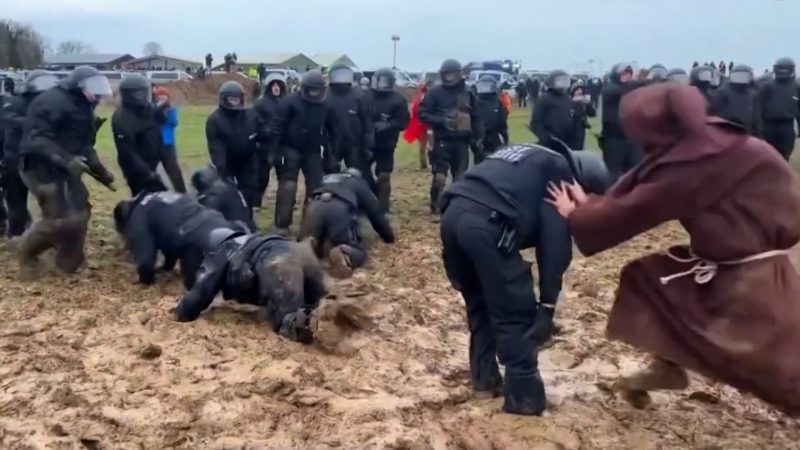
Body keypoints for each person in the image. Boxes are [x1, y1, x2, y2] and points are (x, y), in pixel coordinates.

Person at [547, 82, 800, 416]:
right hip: (724, 259)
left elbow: (640, 205)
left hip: (749, 273)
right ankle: (667, 364)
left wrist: (579, 215)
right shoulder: (707, 140)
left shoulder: (700, 164)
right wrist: (595, 203)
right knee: (651, 279)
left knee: (766, 360)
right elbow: (643, 177)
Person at [439, 142, 609, 415]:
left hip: (451, 217)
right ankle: (524, 399)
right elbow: (554, 246)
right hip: (486, 226)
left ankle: (485, 381)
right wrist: (547, 307)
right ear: (582, 185)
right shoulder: (560, 175)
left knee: (480, 305)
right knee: (514, 311)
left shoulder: (528, 156)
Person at [17, 66, 115, 276]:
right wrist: (65, 159)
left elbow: (85, 145)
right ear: (78, 86)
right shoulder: (51, 103)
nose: (98, 96)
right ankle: (25, 251)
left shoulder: (84, 107)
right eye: (94, 90)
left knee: (80, 212)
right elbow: (37, 139)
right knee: (59, 219)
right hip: (40, 169)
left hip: (65, 169)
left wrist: (101, 172)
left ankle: (69, 264)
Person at [174, 231, 326, 343]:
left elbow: (199, 294)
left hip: (280, 261)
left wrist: (181, 313)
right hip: (303, 253)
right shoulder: (248, 240)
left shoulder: (222, 252)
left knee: (291, 324)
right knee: (321, 306)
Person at [113, 190, 241, 288]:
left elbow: (145, 260)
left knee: (195, 285)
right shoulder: (155, 197)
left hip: (194, 240)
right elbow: (168, 228)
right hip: (215, 221)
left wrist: (145, 279)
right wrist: (167, 266)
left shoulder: (137, 218)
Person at [270, 69, 339, 235]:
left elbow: (333, 131)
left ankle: (310, 224)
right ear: (304, 87)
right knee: (288, 186)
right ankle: (282, 224)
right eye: (312, 89)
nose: (314, 93)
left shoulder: (327, 105)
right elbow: (277, 127)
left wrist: (332, 155)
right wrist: (274, 151)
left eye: (317, 89)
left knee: (316, 188)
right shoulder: (289, 102)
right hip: (290, 148)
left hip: (313, 150)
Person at [299, 168, 395, 278]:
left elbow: (308, 201)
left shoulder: (325, 179)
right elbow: (375, 214)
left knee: (308, 243)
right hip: (338, 208)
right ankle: (344, 253)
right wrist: (388, 236)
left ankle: (304, 254)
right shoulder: (357, 183)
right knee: (358, 252)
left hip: (314, 206)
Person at [419, 59, 484, 214]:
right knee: (440, 177)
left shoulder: (468, 92)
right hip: (442, 139)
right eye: (447, 75)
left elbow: (476, 116)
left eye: (453, 74)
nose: (450, 77)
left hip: (462, 140)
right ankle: (435, 202)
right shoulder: (434, 92)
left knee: (460, 178)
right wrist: (442, 120)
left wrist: (479, 137)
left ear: (460, 74)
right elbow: (422, 113)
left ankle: (455, 207)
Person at [1, 71, 57, 238]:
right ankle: (16, 237)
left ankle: (48, 237)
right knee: (16, 203)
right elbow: (7, 118)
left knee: (51, 204)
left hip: (41, 163)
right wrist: (34, 124)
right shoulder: (15, 102)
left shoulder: (52, 107)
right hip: (14, 161)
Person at [205, 81, 259, 216]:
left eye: (237, 99)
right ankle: (228, 217)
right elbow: (216, 146)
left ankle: (247, 217)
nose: (235, 102)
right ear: (224, 99)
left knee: (248, 189)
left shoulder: (250, 115)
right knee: (227, 189)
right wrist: (221, 168)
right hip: (226, 160)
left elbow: (262, 132)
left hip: (246, 159)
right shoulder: (214, 120)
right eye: (231, 99)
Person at [112, 74, 168, 196]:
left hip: (153, 160)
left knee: (159, 197)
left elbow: (159, 122)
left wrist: (161, 110)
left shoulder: (148, 108)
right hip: (136, 168)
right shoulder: (122, 119)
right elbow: (128, 153)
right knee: (144, 197)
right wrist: (147, 173)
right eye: (139, 93)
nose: (142, 96)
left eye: (144, 92)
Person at [366, 68, 410, 212]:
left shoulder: (398, 99)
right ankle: (367, 201)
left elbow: (404, 122)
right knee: (362, 174)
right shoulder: (363, 97)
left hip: (387, 144)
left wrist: (389, 125)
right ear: (375, 81)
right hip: (366, 143)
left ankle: (383, 209)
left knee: (384, 176)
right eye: (381, 81)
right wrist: (369, 125)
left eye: (387, 81)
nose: (383, 85)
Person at [600, 62, 647, 182]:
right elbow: (619, 90)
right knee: (612, 176)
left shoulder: (633, 91)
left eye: (629, 74)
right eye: (624, 74)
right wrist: (642, 81)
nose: (627, 77)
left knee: (635, 173)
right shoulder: (609, 89)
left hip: (632, 139)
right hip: (614, 140)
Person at [325, 63, 373, 176]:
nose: (341, 79)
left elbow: (367, 123)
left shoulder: (359, 96)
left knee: (357, 174)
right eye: (338, 75)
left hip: (354, 143)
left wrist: (368, 146)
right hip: (332, 144)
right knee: (329, 174)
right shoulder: (325, 96)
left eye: (344, 75)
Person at [252, 73, 287, 209]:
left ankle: (284, 203)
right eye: (273, 85)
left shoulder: (287, 103)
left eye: (278, 85)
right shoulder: (261, 103)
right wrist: (265, 131)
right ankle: (256, 202)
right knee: (262, 177)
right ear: (269, 87)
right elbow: (255, 120)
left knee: (284, 177)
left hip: (282, 146)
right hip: (265, 146)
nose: (276, 87)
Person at [756, 57, 800, 160]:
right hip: (768, 126)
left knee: (784, 156)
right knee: (768, 156)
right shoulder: (766, 87)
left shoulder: (796, 87)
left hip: (787, 126)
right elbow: (758, 109)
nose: (783, 71)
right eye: (781, 68)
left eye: (786, 68)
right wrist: (758, 128)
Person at [191, 165, 257, 232]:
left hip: (237, 234)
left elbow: (206, 224)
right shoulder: (229, 186)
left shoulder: (212, 198)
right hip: (248, 229)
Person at [529, 70, 573, 150]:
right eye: (560, 80)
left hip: (567, 141)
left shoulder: (567, 98)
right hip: (550, 142)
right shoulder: (544, 98)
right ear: (551, 82)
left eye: (565, 80)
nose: (564, 83)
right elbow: (535, 122)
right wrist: (546, 138)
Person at [153, 86, 186, 193]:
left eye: (164, 97)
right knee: (150, 168)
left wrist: (162, 112)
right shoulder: (152, 109)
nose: (162, 99)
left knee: (173, 169)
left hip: (167, 142)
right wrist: (156, 110)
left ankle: (181, 191)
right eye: (159, 97)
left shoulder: (171, 110)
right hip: (154, 143)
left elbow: (173, 122)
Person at [474, 74, 509, 163]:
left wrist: (505, 137)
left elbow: (502, 122)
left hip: (494, 136)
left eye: (487, 86)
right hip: (480, 137)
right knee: (480, 162)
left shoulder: (497, 103)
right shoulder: (475, 102)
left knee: (496, 161)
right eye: (483, 86)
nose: (485, 89)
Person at [713, 64, 757, 133]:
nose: (740, 78)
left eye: (743, 76)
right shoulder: (723, 91)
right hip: (728, 128)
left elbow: (757, 115)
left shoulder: (753, 94)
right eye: (738, 75)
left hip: (748, 128)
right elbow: (717, 111)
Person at [403, 82, 431, 170]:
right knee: (426, 145)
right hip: (422, 125)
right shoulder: (419, 99)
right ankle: (425, 164)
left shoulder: (420, 99)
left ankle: (426, 164)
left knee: (426, 146)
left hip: (425, 124)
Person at [567, 83, 596, 150]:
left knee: (579, 148)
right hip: (570, 129)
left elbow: (592, 114)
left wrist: (588, 104)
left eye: (581, 90)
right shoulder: (568, 101)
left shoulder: (584, 103)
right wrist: (573, 102)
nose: (580, 91)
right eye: (577, 90)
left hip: (580, 129)